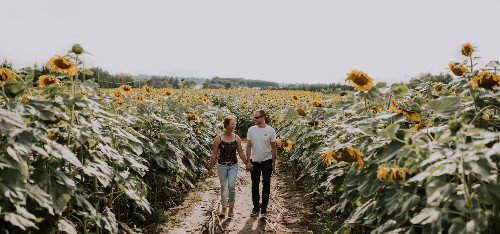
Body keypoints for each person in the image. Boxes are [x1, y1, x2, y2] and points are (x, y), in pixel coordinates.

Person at [208, 115, 249, 217]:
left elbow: (240, 153)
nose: (234, 126)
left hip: (233, 165)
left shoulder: (237, 138)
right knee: (224, 187)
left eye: (235, 124)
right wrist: (210, 168)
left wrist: (247, 163)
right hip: (221, 166)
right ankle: (223, 208)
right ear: (226, 125)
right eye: (232, 124)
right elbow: (214, 154)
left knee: (231, 186)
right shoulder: (218, 138)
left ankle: (231, 207)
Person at [245, 109, 277, 218]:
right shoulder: (251, 130)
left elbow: (273, 148)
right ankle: (255, 207)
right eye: (254, 117)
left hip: (267, 160)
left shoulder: (271, 131)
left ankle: (264, 208)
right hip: (254, 161)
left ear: (263, 118)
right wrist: (248, 161)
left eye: (256, 117)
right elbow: (248, 146)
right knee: (255, 184)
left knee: (266, 183)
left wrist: (273, 164)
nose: (254, 119)